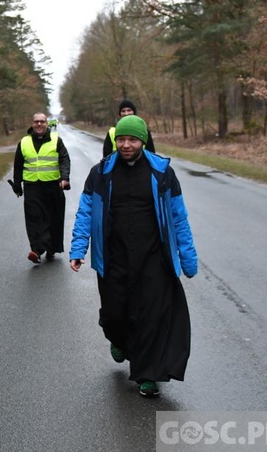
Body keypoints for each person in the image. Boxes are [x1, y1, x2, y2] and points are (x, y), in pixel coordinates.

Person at [70, 115, 197, 398]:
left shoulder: (162, 173)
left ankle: (147, 375)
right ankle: (118, 339)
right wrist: (79, 247)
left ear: (143, 140)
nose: (126, 145)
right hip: (113, 257)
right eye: (121, 140)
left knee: (149, 316)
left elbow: (179, 217)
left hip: (152, 258)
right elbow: (85, 212)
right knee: (115, 315)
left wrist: (187, 257)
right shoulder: (101, 173)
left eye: (132, 139)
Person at [11, 112, 70, 263]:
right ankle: (36, 250)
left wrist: (64, 177)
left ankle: (51, 248)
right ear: (32, 124)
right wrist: (17, 185)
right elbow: (18, 165)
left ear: (46, 123)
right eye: (36, 121)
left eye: (42, 122)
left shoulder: (56, 140)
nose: (39, 124)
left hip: (53, 186)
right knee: (34, 218)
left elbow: (64, 159)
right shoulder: (24, 142)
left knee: (52, 218)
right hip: (32, 187)